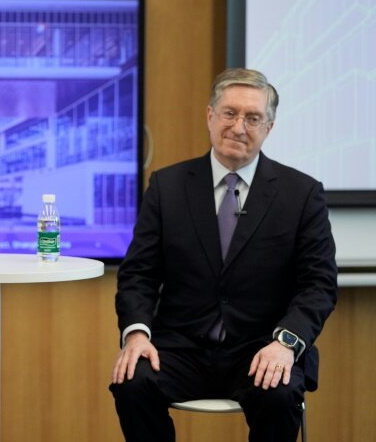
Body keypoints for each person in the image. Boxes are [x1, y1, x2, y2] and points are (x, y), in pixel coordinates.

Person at [109, 68, 338, 441]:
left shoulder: (302, 194)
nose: (239, 127)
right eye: (230, 113)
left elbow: (319, 284)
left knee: (280, 395)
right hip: (181, 346)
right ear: (210, 116)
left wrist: (287, 343)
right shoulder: (167, 187)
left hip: (262, 345)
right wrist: (136, 334)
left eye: (253, 118)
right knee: (131, 382)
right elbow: (139, 274)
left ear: (269, 128)